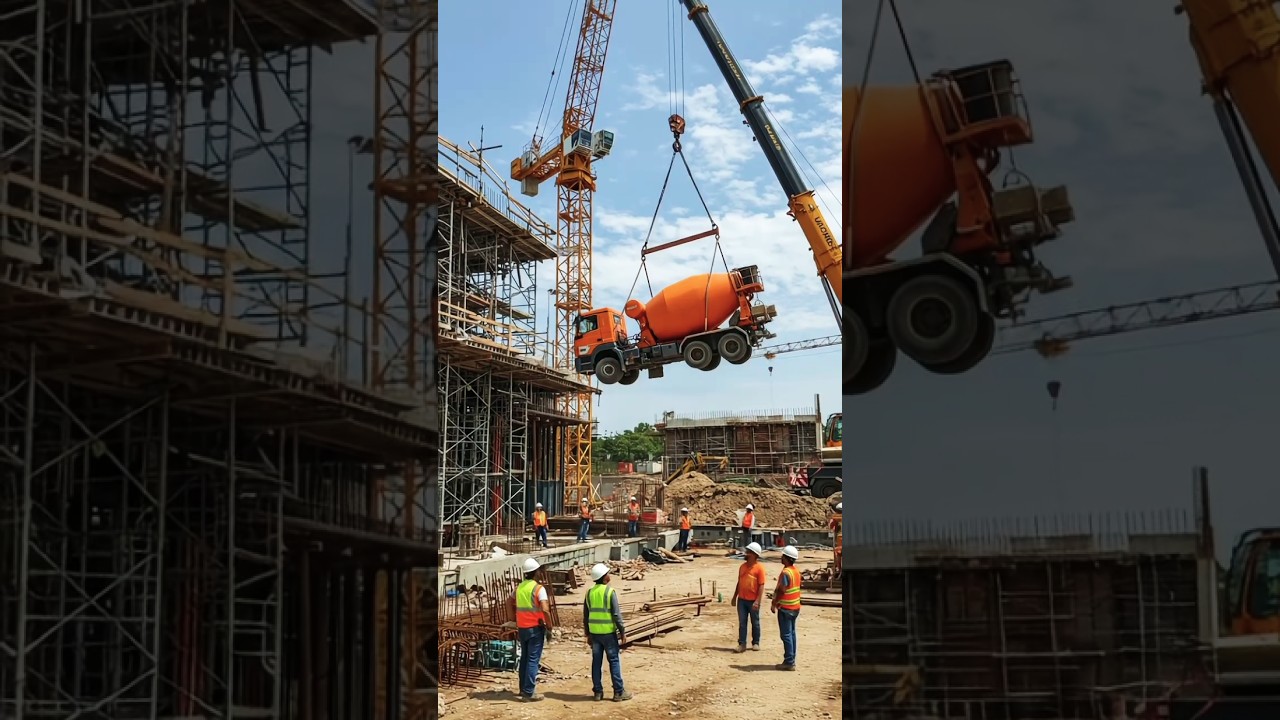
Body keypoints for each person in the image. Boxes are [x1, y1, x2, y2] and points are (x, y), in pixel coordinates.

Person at [583, 563, 633, 702]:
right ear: (604, 577)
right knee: (614, 661)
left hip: (595, 634)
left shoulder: (589, 593)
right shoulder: (610, 592)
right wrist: (622, 631)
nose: (609, 575)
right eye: (607, 573)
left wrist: (587, 634)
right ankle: (618, 692)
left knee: (596, 662)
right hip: (608, 634)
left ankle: (598, 692)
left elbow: (586, 616)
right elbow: (616, 614)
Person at [514, 557, 553, 701]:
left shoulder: (519, 587)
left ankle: (522, 689)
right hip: (535, 628)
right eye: (539, 571)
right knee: (532, 660)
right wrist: (549, 626)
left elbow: (508, 601)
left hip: (522, 628)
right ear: (535, 572)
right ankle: (529, 692)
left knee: (524, 659)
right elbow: (545, 609)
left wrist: (512, 619)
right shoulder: (538, 589)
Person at [730, 541, 767, 653]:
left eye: (748, 552)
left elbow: (761, 586)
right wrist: (734, 597)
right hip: (742, 600)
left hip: (753, 601)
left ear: (754, 555)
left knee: (755, 622)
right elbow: (739, 582)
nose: (746, 554)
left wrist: (757, 601)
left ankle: (756, 642)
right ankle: (742, 644)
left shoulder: (759, 569)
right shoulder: (742, 567)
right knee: (742, 623)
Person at [770, 545, 802, 670]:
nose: (781, 557)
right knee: (792, 634)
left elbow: (782, 590)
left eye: (783, 556)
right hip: (795, 607)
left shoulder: (786, 573)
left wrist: (774, 603)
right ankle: (791, 659)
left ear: (787, 558)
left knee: (786, 635)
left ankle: (789, 662)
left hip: (786, 608)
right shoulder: (796, 571)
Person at [829, 502, 843, 572]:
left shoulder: (836, 518)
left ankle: (839, 569)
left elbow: (831, 526)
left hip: (840, 538)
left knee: (838, 552)